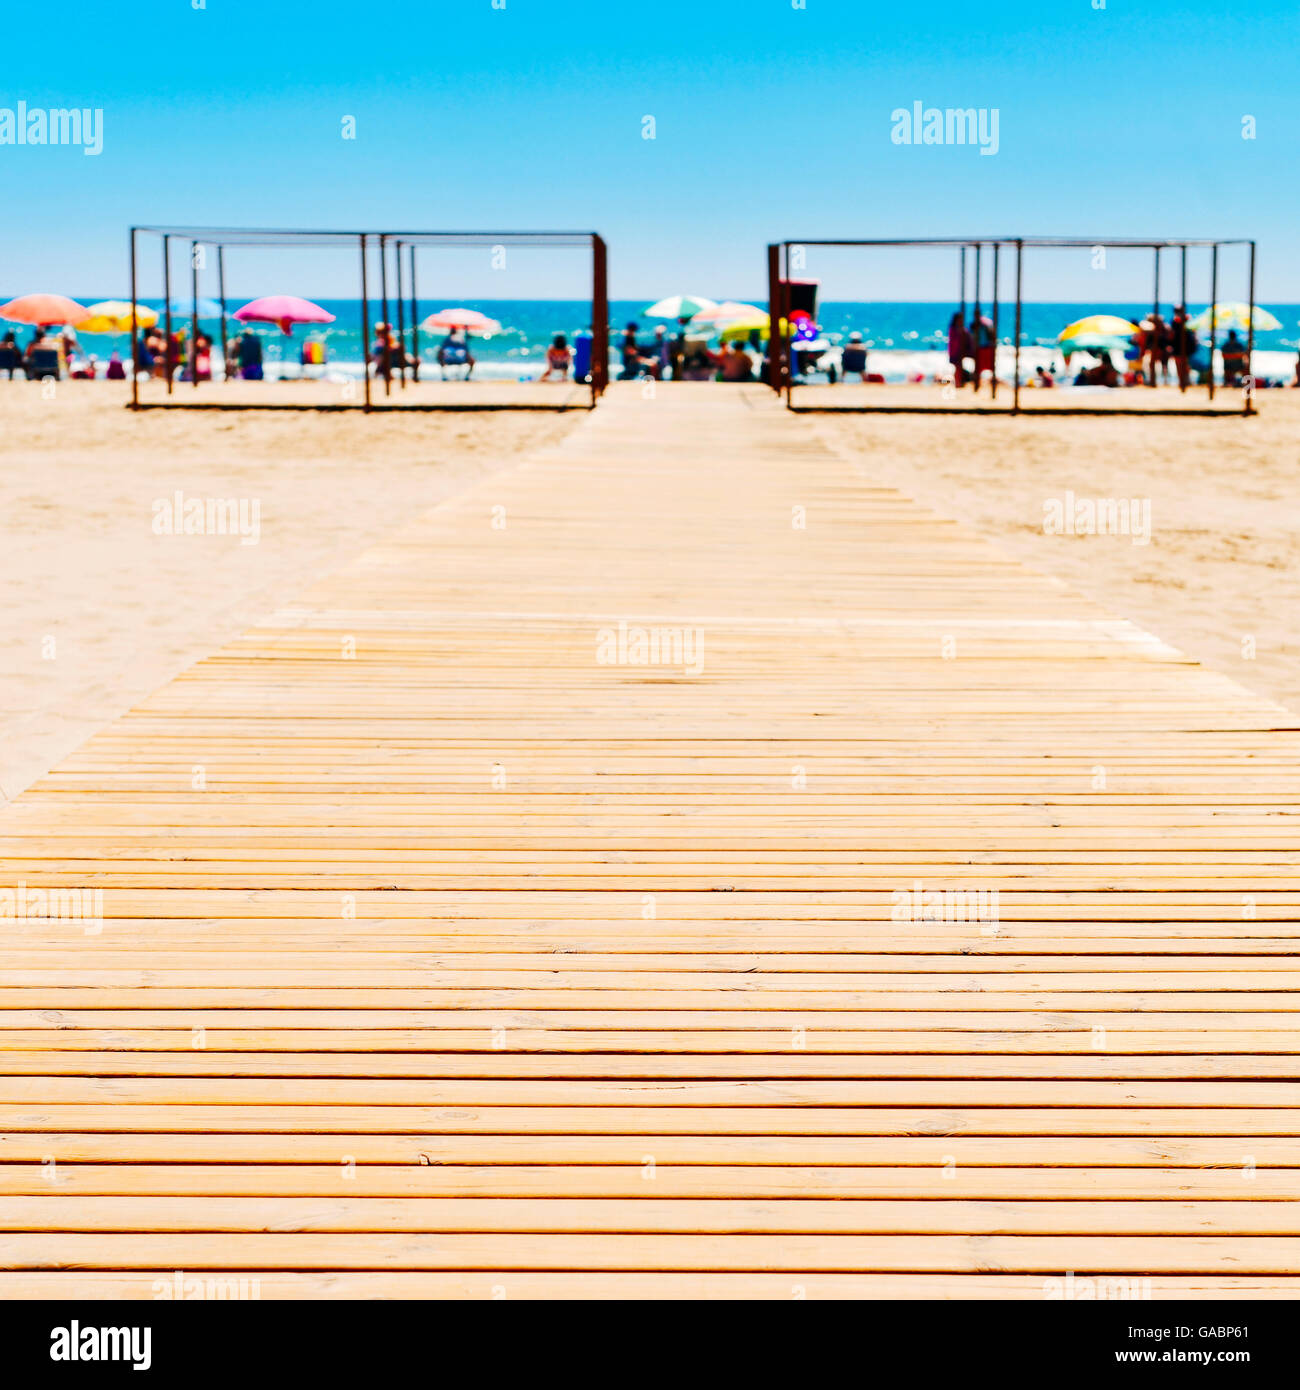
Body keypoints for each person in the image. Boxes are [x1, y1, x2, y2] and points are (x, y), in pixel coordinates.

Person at [970, 313, 995, 391]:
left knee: (987, 366)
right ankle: (978, 384)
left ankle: (988, 383)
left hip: (985, 347)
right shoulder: (974, 325)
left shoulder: (984, 324)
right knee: (978, 368)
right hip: (980, 347)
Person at [947, 311, 970, 387]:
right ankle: (957, 383)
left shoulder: (956, 328)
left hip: (957, 351)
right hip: (955, 351)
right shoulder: (953, 328)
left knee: (958, 367)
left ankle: (958, 382)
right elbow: (955, 340)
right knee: (958, 367)